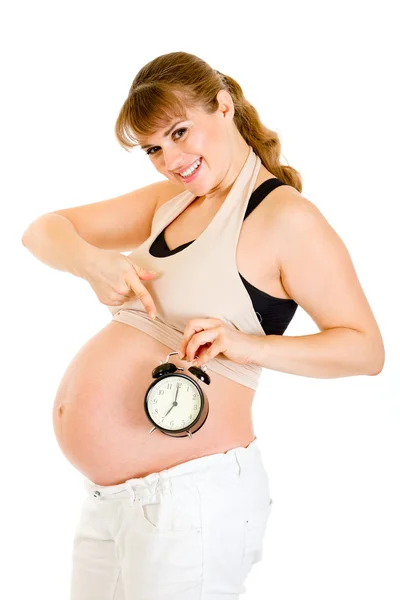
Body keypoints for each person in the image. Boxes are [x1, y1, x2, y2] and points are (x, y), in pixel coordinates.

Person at [21, 51, 385, 599]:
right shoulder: (171, 201)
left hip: (190, 501)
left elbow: (365, 351)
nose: (171, 159)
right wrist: (92, 263)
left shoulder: (285, 218)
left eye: (180, 132)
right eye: (153, 149)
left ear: (223, 106)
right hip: (113, 502)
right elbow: (42, 231)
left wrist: (245, 345)